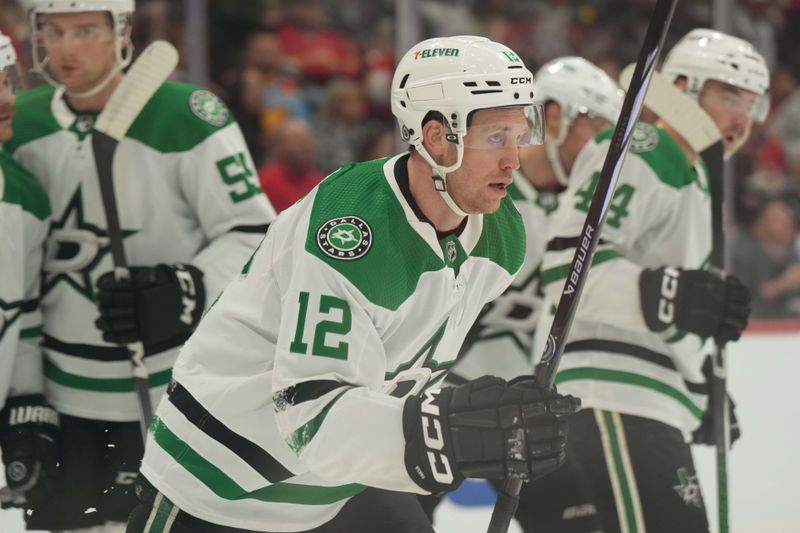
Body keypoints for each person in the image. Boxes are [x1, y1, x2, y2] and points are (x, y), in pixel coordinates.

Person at [125, 35, 580, 533]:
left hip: (336, 487)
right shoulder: (348, 233)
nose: (514, 159)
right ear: (435, 138)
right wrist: (445, 434)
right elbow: (311, 417)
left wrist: (507, 414)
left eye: (520, 134)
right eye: (496, 137)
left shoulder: (500, 235)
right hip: (221, 481)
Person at [3, 1, 275, 531]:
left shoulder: (187, 113)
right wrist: (24, 392)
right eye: (52, 32)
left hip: (168, 387)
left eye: (84, 30)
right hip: (61, 394)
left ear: (121, 33)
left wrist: (189, 286)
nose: (64, 48)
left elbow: (256, 235)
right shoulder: (22, 121)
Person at [528, 29, 768, 532]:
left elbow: (668, 300)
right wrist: (669, 294)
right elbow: (566, 264)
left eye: (752, 105)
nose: (741, 119)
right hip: (610, 391)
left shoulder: (695, 174)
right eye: (729, 97)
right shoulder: (647, 144)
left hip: (650, 396)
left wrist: (701, 386)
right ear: (680, 85)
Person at [449, 56, 624, 384]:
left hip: (532, 400)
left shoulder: (593, 208)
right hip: (446, 389)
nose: (606, 148)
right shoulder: (474, 190)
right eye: (599, 128)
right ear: (556, 119)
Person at [0, 29, 58, 514]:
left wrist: (25, 402)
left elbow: (21, 318)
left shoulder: (25, 199)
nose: (7, 99)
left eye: (8, 81)